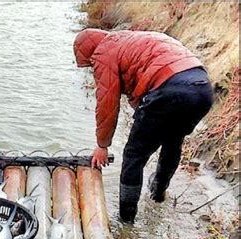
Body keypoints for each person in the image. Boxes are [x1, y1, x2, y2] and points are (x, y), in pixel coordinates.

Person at [74, 29, 214, 223]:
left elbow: (107, 103)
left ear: (90, 53)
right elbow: (146, 78)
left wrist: (102, 145)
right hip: (203, 88)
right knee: (173, 140)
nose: (92, 68)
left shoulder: (103, 51)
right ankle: (158, 193)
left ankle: (126, 220)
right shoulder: (129, 39)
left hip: (169, 88)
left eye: (89, 65)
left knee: (134, 155)